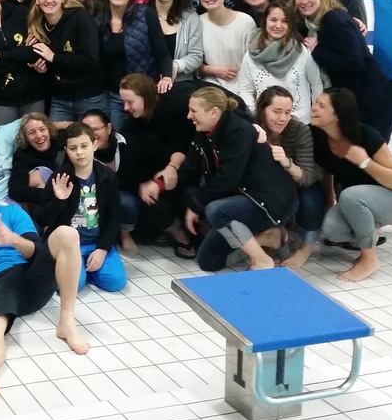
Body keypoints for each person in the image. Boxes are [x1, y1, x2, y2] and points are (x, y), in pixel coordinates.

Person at [0, 168, 89, 397]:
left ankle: (66, 322)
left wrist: (13, 239)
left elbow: (36, 251)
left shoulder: (10, 212)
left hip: (30, 273)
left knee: (67, 233)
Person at [184, 88, 299, 273]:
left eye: (193, 111)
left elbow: (227, 179)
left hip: (270, 203)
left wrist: (197, 205)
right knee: (208, 262)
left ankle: (261, 259)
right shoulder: (205, 133)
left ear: (214, 112)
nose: (189, 116)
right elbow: (189, 168)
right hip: (242, 201)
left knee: (215, 210)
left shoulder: (239, 130)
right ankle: (269, 238)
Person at [310, 89, 392, 282]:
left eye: (321, 105)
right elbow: (325, 171)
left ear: (337, 115)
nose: (314, 108)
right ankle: (370, 229)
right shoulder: (317, 136)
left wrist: (364, 162)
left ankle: (369, 259)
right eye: (316, 102)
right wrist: (329, 198)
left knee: (350, 195)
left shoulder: (365, 135)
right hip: (358, 202)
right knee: (332, 228)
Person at [293, 0, 392, 138]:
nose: (304, 1)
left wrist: (318, 50)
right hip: (362, 102)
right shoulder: (317, 24)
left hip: (373, 103)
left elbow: (355, 61)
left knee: (371, 152)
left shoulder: (333, 19)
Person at [37, 124, 127, 292]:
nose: (79, 152)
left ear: (94, 145)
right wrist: (59, 200)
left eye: (84, 146)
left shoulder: (107, 176)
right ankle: (81, 271)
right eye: (73, 148)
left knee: (115, 282)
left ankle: (88, 268)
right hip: (69, 246)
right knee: (72, 286)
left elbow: (114, 217)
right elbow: (42, 219)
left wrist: (102, 249)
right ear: (66, 151)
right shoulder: (59, 178)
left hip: (96, 241)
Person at [115, 74, 195, 256]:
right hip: (154, 177)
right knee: (150, 202)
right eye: (123, 102)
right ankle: (177, 232)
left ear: (146, 97)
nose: (125, 108)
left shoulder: (176, 105)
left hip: (185, 166)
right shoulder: (131, 127)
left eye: (130, 102)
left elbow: (184, 142)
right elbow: (131, 169)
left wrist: (254, 125)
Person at [254, 87, 323, 270]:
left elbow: (306, 177)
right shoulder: (252, 127)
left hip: (297, 182)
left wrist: (287, 163)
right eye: (276, 112)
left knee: (310, 199)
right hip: (265, 185)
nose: (283, 118)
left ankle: (306, 248)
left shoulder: (299, 130)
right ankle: (270, 240)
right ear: (262, 110)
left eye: (287, 112)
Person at [97, 0, 173, 130]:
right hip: (113, 96)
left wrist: (167, 76)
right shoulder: (99, 19)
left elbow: (162, 52)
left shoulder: (146, 14)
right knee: (120, 139)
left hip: (142, 95)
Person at [27, 0, 104, 122]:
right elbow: (54, 69)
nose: (49, 0)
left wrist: (53, 57)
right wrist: (43, 70)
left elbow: (91, 59)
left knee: (90, 135)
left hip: (88, 96)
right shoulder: (39, 26)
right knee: (56, 135)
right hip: (60, 98)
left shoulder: (79, 17)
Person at [237, 1, 324, 123]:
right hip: (266, 124)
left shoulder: (301, 51)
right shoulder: (251, 56)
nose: (278, 25)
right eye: (273, 20)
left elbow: (316, 84)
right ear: (265, 21)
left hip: (301, 123)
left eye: (284, 21)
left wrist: (315, 114)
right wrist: (257, 114)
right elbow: (245, 90)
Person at [198, 0, 258, 94]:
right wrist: (212, 70)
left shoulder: (245, 22)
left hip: (244, 89)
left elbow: (254, 63)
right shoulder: (197, 22)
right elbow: (192, 62)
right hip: (210, 89)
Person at [150, 0, 206, 84]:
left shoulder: (190, 17)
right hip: (147, 84)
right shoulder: (141, 15)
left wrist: (176, 65)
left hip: (181, 84)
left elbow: (196, 56)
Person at [7, 112, 61, 210]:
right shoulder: (23, 155)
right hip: (45, 202)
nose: (39, 136)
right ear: (26, 138)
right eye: (32, 133)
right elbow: (15, 189)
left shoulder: (61, 143)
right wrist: (48, 194)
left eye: (42, 129)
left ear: (49, 129)